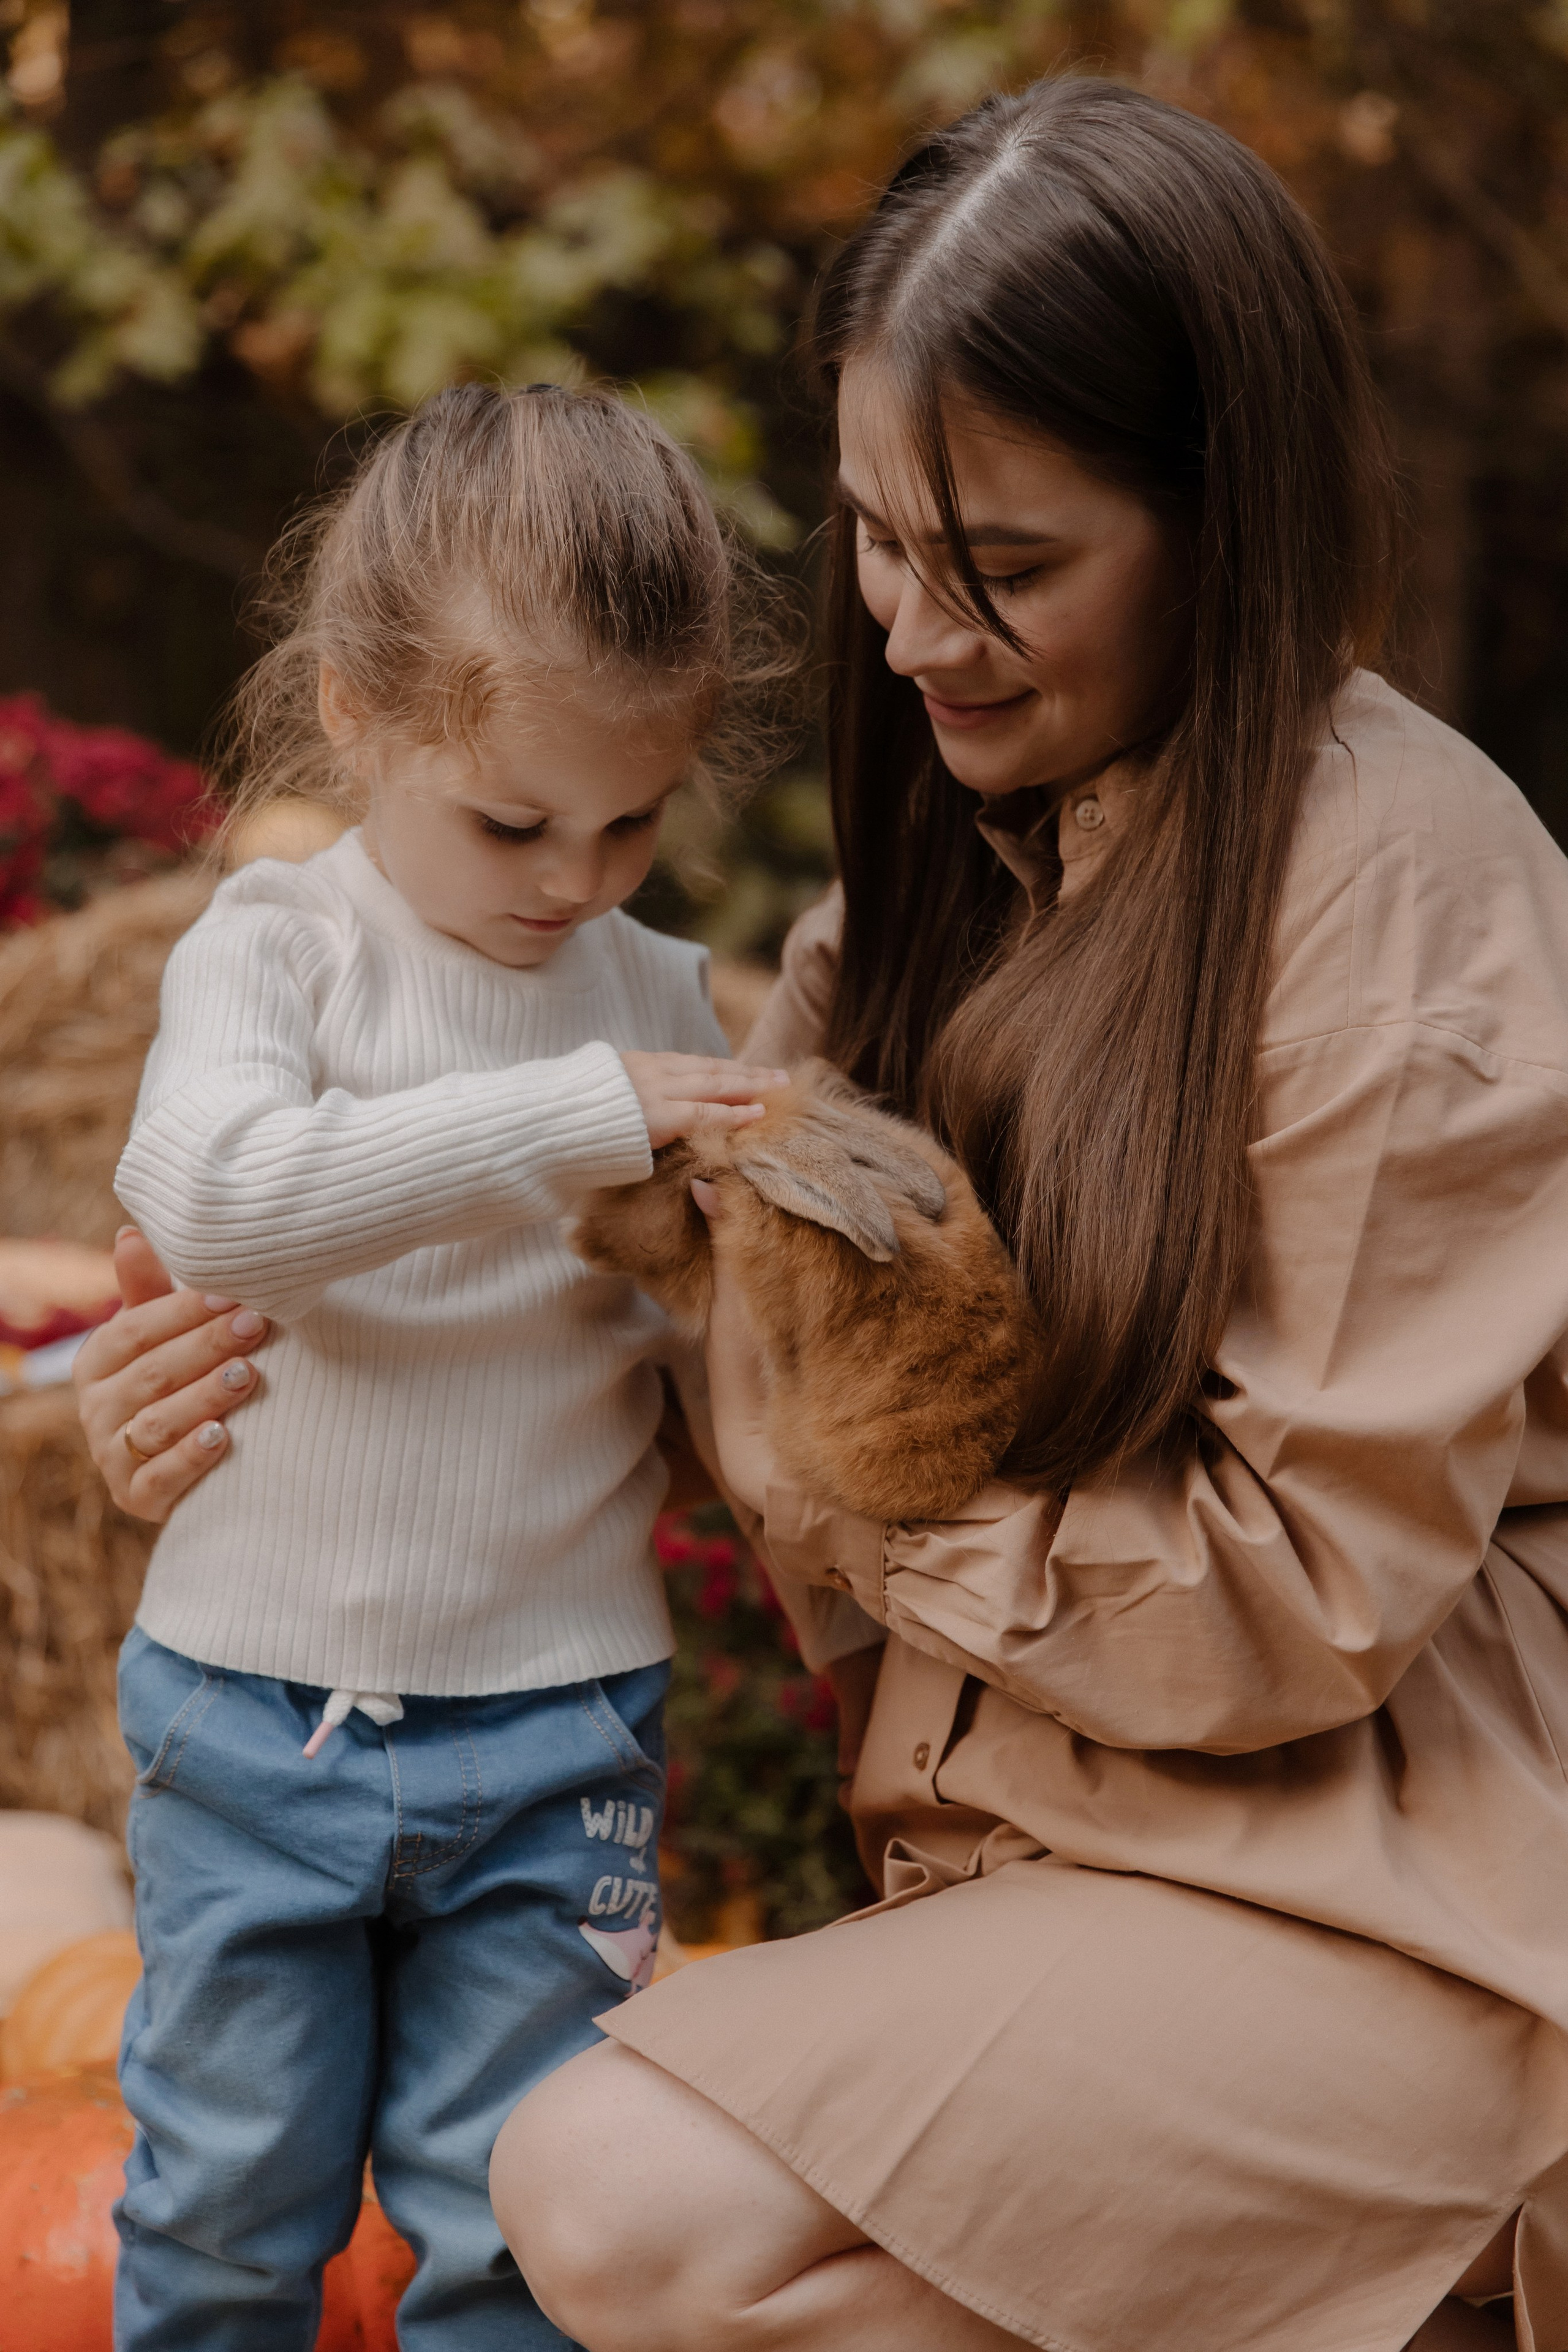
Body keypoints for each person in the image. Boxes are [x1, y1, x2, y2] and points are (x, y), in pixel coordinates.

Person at [80, 75, 1568, 2352]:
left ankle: (1445, 2239)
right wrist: (212, 1414)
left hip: (1395, 1877)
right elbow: (651, 1342)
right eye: (881, 536)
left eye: (1009, 567)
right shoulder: (933, 898)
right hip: (1055, 1859)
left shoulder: (1404, 899)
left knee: (595, 2195)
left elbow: (1284, 1606)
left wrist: (830, 1484)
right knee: (591, 2216)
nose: (912, 627)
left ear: (1227, 523)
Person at [92, 379, 791, 2352]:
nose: (576, 877)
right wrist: (573, 1121)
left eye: (634, 821)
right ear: (353, 709)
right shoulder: (279, 949)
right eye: (513, 818)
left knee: (520, 2228)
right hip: (249, 1716)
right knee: (229, 2207)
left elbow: (704, 1362)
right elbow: (219, 1204)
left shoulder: (656, 1001)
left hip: (557, 1731)